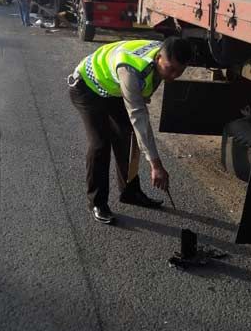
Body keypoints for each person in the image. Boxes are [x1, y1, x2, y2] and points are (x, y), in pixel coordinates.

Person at [68, 38, 191, 224]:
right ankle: (97, 203)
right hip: (86, 87)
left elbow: (140, 103)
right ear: (158, 58)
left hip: (112, 89)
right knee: (100, 143)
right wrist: (156, 165)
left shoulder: (163, 54)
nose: (173, 76)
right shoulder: (132, 70)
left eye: (179, 72)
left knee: (129, 136)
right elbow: (139, 116)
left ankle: (130, 192)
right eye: (171, 69)